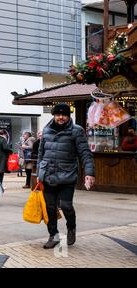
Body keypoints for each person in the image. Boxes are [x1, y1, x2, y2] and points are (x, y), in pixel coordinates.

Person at [37, 103, 95, 249]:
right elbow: (40, 153)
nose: (61, 117)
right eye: (58, 115)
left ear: (69, 116)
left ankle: (71, 227)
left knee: (66, 205)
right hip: (48, 174)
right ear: (54, 115)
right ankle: (53, 235)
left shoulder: (76, 131)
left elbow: (85, 154)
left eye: (64, 115)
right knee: (50, 208)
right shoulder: (46, 130)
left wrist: (89, 173)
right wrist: (39, 173)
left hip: (67, 175)